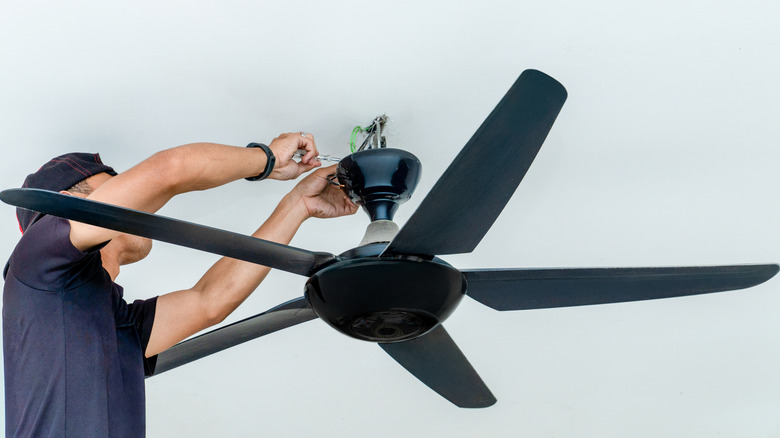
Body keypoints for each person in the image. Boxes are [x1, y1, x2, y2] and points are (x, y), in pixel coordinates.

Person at [2, 133, 358, 437]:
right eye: (119, 185)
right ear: (71, 204)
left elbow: (210, 301)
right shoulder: (37, 259)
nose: (142, 204)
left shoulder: (108, 321)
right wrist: (267, 159)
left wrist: (298, 205)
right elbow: (168, 171)